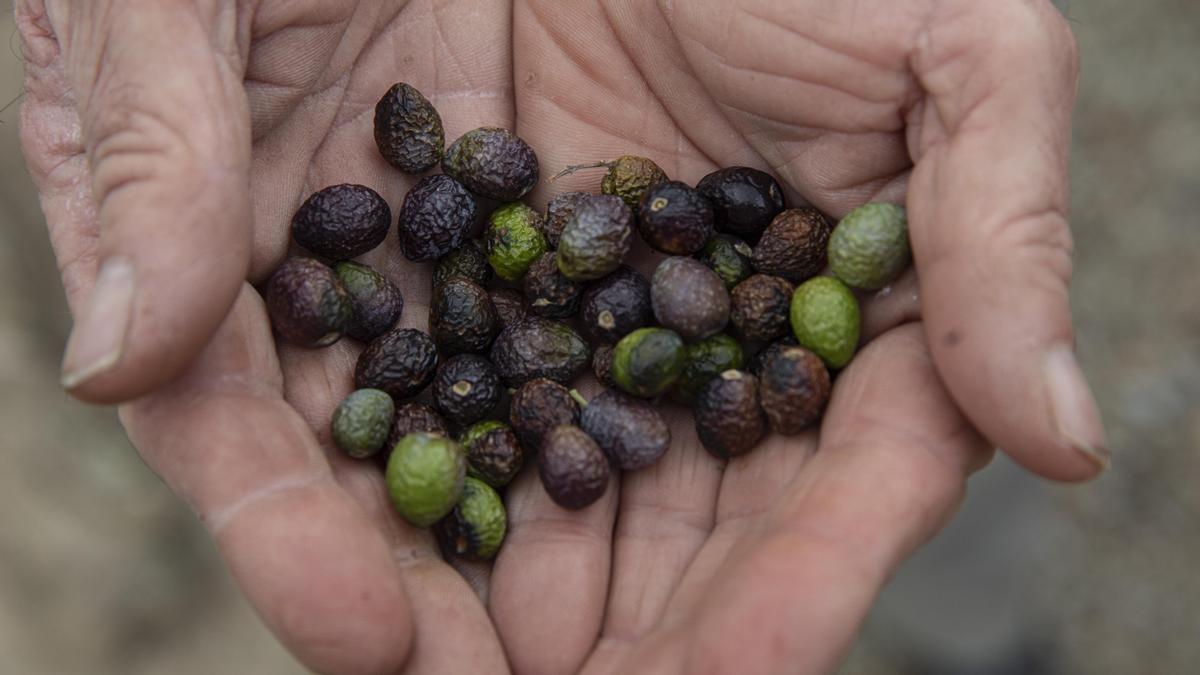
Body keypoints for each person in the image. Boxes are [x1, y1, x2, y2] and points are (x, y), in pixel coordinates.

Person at [15, 1, 1106, 673]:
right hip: (252, 140)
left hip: (791, 205)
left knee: (925, 369)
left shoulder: (681, 285)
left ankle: (971, 631)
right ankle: (141, 557)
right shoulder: (485, 303)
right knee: (162, 316)